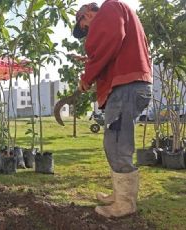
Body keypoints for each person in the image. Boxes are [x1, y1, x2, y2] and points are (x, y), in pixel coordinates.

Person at [73, 1, 153, 218]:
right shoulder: (119, 11)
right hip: (131, 86)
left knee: (118, 144)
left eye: (84, 28)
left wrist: (88, 76)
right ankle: (120, 195)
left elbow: (109, 38)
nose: (88, 32)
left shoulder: (109, 7)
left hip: (126, 88)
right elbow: (113, 45)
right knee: (115, 141)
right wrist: (91, 61)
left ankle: (125, 204)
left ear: (86, 13)